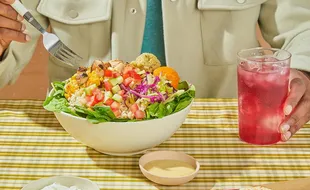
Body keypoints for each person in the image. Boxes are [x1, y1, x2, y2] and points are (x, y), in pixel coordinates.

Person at [0, 0, 309, 142]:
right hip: (85, 146)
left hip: (220, 142)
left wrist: (305, 72)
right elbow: (7, 62)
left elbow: (302, 24)